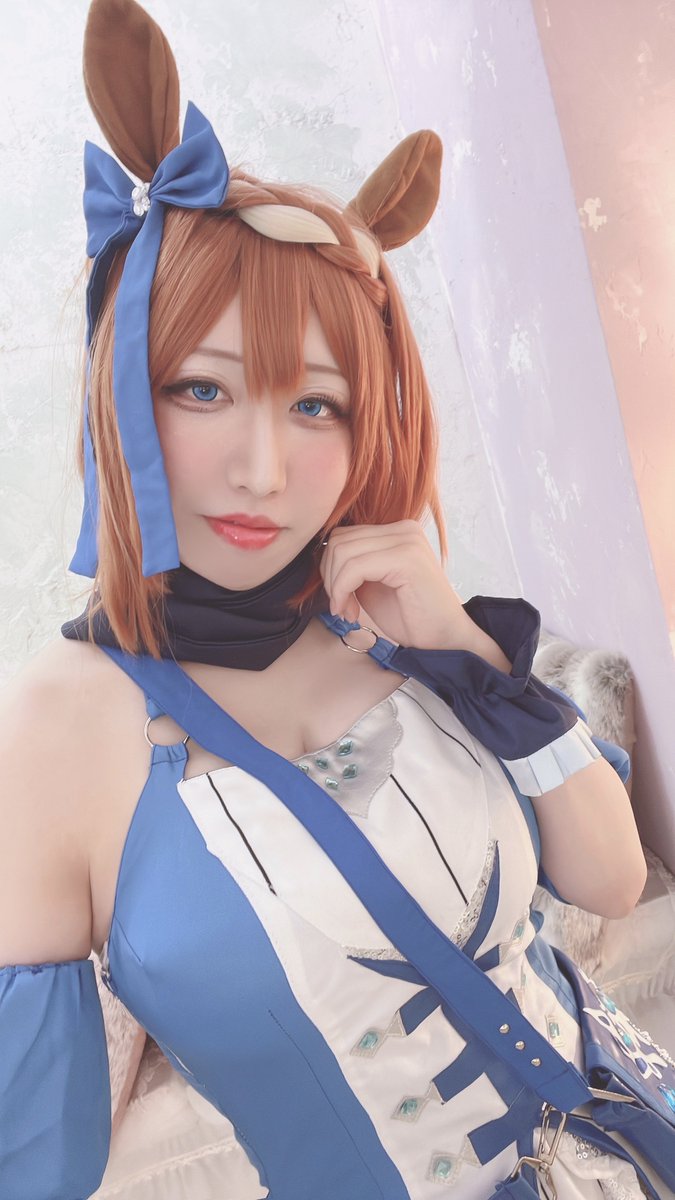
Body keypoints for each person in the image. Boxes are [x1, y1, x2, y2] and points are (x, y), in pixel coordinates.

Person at [0, 1, 671, 1198]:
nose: (264, 472)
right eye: (204, 391)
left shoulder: (389, 621)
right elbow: (37, 1155)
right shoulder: (55, 726)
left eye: (316, 406)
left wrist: (463, 648)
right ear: (124, 393)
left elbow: (613, 880)